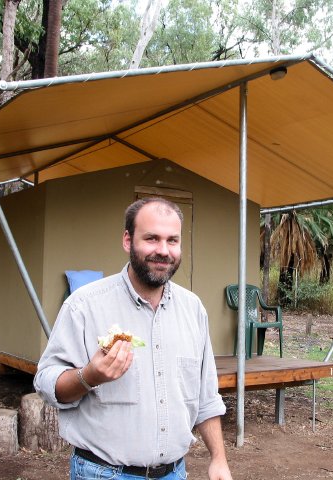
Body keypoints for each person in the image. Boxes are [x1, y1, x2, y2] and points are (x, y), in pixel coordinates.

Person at [34, 197, 232, 480]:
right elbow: (46, 382)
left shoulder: (193, 310)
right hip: (103, 473)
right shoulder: (85, 305)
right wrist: (88, 376)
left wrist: (219, 459)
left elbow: (206, 397)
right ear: (128, 241)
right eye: (151, 238)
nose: (163, 251)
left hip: (174, 473)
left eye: (172, 240)